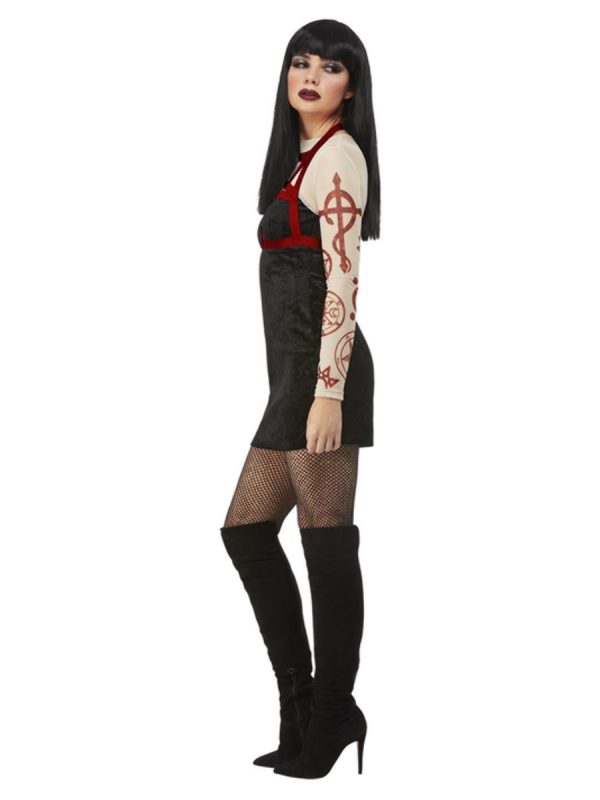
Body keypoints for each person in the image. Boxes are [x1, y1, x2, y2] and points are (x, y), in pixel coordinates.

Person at [220, 18, 381, 780]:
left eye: (330, 66)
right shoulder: (302, 160)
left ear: (352, 87)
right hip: (294, 381)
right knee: (248, 531)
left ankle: (334, 714)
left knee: (325, 542)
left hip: (324, 380)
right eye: (300, 62)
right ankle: (301, 709)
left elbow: (344, 281)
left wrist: (329, 393)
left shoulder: (340, 155)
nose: (311, 75)